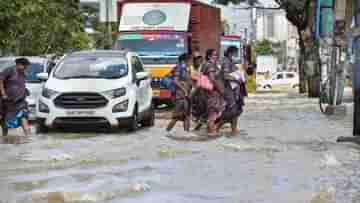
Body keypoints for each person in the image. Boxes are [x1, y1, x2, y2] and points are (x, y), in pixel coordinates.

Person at [217, 46, 247, 135]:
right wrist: (236, 79)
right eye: (235, 52)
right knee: (232, 110)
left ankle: (234, 130)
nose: (236, 54)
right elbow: (225, 76)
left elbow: (237, 73)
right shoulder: (226, 62)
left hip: (235, 90)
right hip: (229, 89)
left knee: (237, 110)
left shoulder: (231, 61)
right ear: (231, 52)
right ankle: (217, 127)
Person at [0, 58, 32, 136]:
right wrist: (3, 94)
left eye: (26, 66)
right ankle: (4, 137)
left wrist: (25, 91)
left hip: (20, 101)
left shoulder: (23, 73)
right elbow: (0, 81)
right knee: (4, 120)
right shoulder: (9, 71)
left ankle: (29, 137)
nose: (26, 68)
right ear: (18, 64)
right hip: (7, 101)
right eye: (24, 66)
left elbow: (20, 84)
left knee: (23, 116)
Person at [201, 49, 225, 137]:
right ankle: (212, 135)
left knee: (211, 114)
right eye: (214, 55)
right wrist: (221, 90)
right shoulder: (210, 65)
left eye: (217, 55)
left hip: (208, 93)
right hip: (213, 93)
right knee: (212, 115)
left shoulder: (205, 65)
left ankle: (209, 135)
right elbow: (212, 79)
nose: (216, 56)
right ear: (209, 56)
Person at [166, 54, 192, 132]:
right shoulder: (179, 68)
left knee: (186, 116)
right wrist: (184, 90)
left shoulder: (185, 69)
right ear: (184, 60)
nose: (191, 62)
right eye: (190, 60)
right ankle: (165, 133)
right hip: (180, 96)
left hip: (185, 96)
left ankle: (186, 135)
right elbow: (175, 80)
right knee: (176, 116)